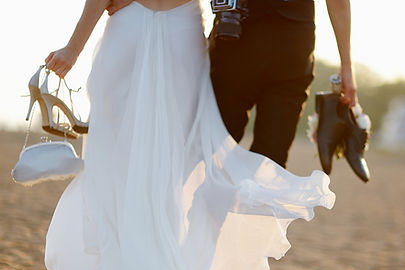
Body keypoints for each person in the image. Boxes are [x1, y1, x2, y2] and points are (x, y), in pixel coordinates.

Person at [43, 0, 335, 270]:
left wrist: (74, 47)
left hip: (153, 24)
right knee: (163, 164)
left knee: (136, 159)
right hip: (177, 26)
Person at [107, 0, 359, 168]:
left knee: (209, 156)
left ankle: (200, 239)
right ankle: (221, 241)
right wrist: (346, 65)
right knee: (266, 163)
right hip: (277, 48)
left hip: (247, 45)